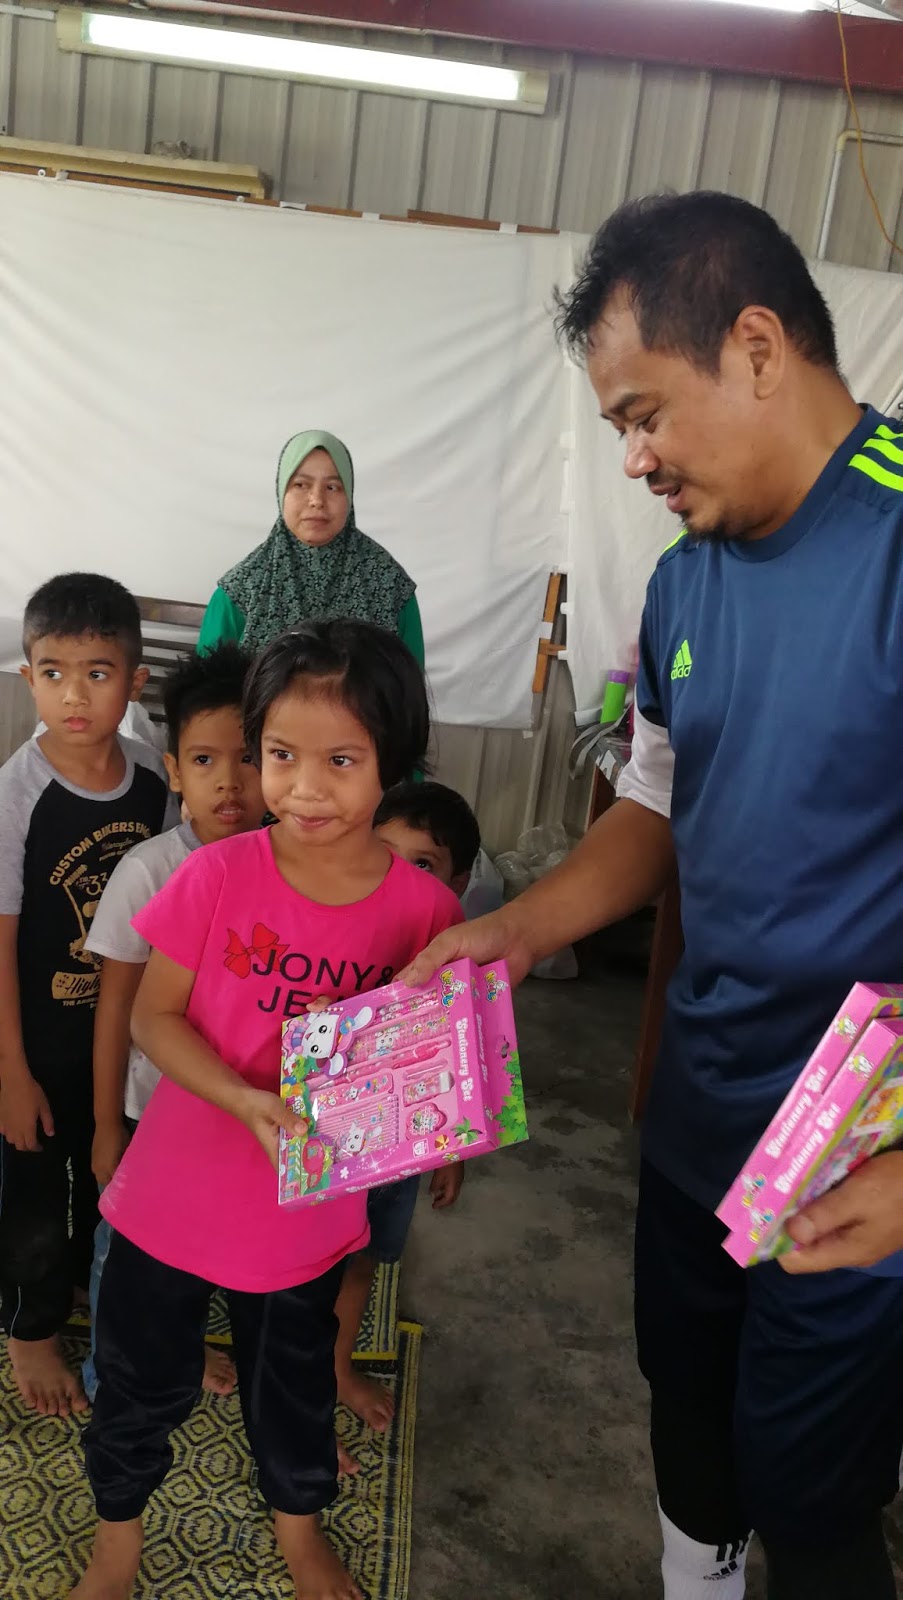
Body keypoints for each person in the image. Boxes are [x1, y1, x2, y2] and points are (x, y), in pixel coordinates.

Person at [402, 192, 903, 1600]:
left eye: (643, 415)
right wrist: (512, 931)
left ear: (757, 347)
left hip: (860, 1147)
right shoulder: (685, 586)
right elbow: (656, 811)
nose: (631, 459)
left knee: (811, 1494)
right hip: (701, 1106)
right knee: (685, 1403)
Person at [69, 620, 462, 1600]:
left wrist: (441, 1128)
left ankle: (300, 1530)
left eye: (341, 760)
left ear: (394, 760)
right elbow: (154, 1017)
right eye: (281, 755)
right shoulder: (215, 874)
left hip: (305, 1212)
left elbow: (428, 1065)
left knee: (292, 1385)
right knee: (137, 1381)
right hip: (172, 1197)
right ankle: (117, 1545)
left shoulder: (424, 912)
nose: (305, 788)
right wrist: (242, 1097)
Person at [0, 573, 175, 1419]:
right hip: (33, 1043)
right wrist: (11, 1071)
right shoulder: (16, 795)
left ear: (134, 682)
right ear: (27, 677)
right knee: (32, 1192)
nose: (75, 695)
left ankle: (77, 1284)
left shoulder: (151, 778)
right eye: (54, 672)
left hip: (115, 1039)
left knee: (103, 1175)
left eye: (98, 673)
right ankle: (30, 1332)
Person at [80, 642, 268, 1405]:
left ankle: (186, 1349)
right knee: (124, 1251)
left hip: (240, 1116)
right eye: (204, 760)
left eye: (249, 757)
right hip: (150, 1112)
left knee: (205, 1249)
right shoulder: (150, 871)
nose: (229, 781)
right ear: (174, 771)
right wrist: (105, 1124)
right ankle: (109, 1377)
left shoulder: (288, 870)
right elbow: (116, 1008)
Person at [332, 779, 481, 1432]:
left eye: (424, 864)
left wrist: (454, 1150)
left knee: (361, 1262)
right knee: (296, 1274)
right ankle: (284, 1390)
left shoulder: (457, 956)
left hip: (397, 1148)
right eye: (386, 855)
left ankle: (336, 1368)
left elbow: (463, 1058)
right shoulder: (332, 924)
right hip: (319, 1140)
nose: (402, 878)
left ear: (460, 882)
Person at [197, 430, 424, 665]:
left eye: (332, 487)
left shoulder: (389, 584)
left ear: (349, 496)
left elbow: (411, 681)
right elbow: (208, 684)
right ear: (281, 492)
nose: (317, 500)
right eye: (300, 484)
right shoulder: (241, 591)